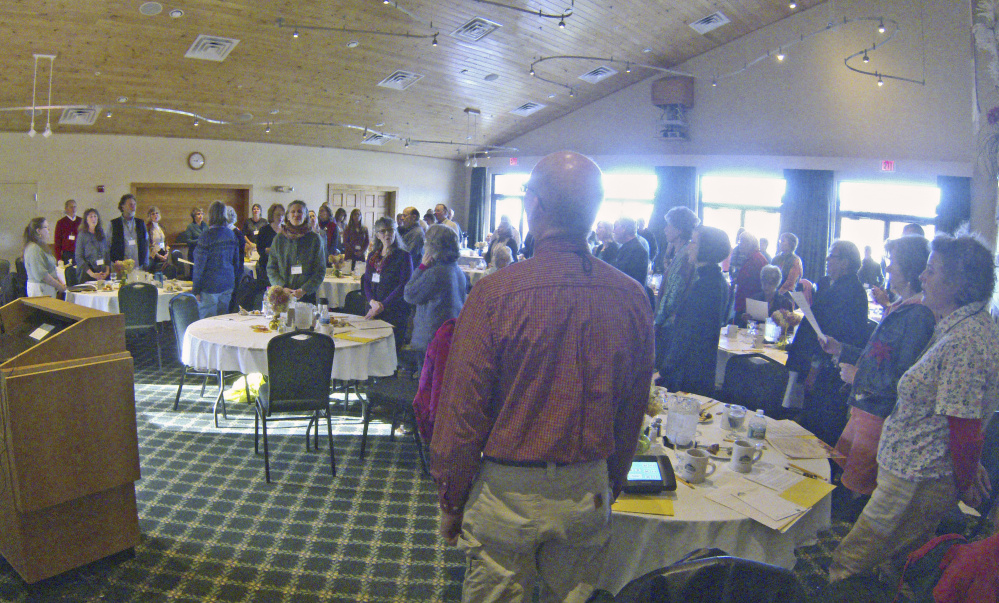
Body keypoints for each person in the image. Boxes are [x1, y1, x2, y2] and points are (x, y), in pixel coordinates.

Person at [430, 151, 654, 602]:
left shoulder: (494, 294)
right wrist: (612, 481)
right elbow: (633, 412)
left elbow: (463, 410)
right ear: (595, 212)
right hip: (586, 487)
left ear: (533, 206)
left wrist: (451, 499)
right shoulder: (632, 298)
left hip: (506, 491)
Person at [828, 233, 999, 583]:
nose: (922, 276)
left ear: (959, 285)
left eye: (932, 271)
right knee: (891, 564)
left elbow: (963, 424)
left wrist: (965, 479)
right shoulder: (958, 325)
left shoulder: (966, 339)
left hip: (918, 477)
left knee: (849, 562)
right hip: (913, 469)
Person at [819, 236, 935, 506]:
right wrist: (841, 350)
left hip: (878, 413)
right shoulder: (904, 308)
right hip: (867, 408)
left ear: (908, 269)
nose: (889, 269)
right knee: (841, 471)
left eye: (893, 262)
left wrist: (857, 376)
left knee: (855, 487)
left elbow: (903, 376)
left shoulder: (918, 315)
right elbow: (877, 356)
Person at [785, 239, 869, 445]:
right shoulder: (839, 287)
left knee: (818, 430)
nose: (827, 260)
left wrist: (813, 369)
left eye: (832, 256)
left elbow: (830, 335)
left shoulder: (847, 292)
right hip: (828, 369)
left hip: (830, 372)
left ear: (845, 263)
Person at [658, 226, 731, 395]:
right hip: (701, 367)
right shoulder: (717, 280)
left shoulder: (706, 285)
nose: (689, 246)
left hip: (690, 370)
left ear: (706, 248)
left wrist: (664, 371)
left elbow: (688, 332)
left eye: (694, 242)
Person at [404, 224, 468, 353]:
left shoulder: (434, 273)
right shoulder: (458, 271)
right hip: (450, 335)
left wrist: (421, 267)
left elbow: (409, 295)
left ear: (433, 246)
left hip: (430, 338)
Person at [654, 207, 699, 366]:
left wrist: (657, 322)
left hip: (671, 327)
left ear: (679, 229)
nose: (665, 229)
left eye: (669, 225)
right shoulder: (680, 252)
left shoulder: (684, 255)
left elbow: (673, 294)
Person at [362, 216, 413, 348]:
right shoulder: (373, 256)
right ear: (377, 235)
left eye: (390, 230)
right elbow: (366, 281)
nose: (387, 234)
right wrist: (372, 302)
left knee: (390, 351)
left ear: (395, 232)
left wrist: (382, 305)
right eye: (383, 231)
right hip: (373, 309)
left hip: (394, 310)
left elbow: (403, 285)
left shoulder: (403, 256)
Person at [266, 200, 325, 304]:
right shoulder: (279, 239)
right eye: (293, 212)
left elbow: (320, 270)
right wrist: (282, 287)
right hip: (283, 295)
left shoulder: (315, 239)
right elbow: (271, 268)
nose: (296, 214)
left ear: (306, 215)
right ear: (288, 216)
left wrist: (304, 289)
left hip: (307, 296)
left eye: (299, 211)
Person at [192, 201, 242, 318]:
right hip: (228, 283)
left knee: (207, 323)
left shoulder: (206, 236)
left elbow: (199, 266)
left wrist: (196, 290)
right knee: (223, 320)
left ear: (211, 215)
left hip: (210, 285)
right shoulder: (231, 234)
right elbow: (236, 262)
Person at [22, 217, 66, 297]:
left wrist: (60, 283)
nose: (49, 230)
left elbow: (51, 268)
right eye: (46, 227)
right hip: (40, 289)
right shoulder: (34, 248)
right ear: (38, 231)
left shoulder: (41, 246)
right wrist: (59, 286)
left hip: (48, 288)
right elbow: (41, 274)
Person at [732, 232, 768, 324]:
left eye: (742, 241)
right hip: (746, 302)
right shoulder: (752, 257)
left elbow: (752, 284)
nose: (739, 244)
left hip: (749, 305)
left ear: (749, 244)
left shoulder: (756, 259)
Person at [109, 194, 148, 268]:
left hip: (138, 266)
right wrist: (110, 265)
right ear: (123, 206)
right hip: (120, 267)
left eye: (134, 204)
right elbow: (108, 245)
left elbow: (146, 243)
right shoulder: (114, 224)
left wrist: (146, 262)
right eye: (130, 204)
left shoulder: (141, 223)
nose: (133, 207)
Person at [74, 208, 111, 283]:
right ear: (86, 219)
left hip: (102, 273)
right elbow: (79, 257)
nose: (93, 219)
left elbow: (107, 254)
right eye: (91, 217)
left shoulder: (101, 233)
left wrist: (107, 272)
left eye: (95, 216)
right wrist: (92, 274)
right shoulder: (82, 235)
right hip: (88, 274)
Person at [612, 216, 650, 287]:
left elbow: (627, 280)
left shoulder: (637, 251)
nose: (613, 231)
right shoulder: (627, 247)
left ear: (624, 228)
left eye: (615, 227)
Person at [255, 203, 284, 284]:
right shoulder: (264, 230)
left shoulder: (286, 230)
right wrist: (268, 250)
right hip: (266, 266)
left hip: (282, 267)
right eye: (278, 215)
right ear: (272, 215)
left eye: (282, 215)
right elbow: (259, 249)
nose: (280, 217)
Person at [53, 199, 81, 264]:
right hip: (67, 254)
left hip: (80, 253)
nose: (73, 209)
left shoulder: (81, 221)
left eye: (75, 207)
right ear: (66, 209)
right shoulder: (61, 222)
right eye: (71, 207)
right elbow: (57, 241)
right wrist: (59, 258)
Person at [146, 206, 170, 272]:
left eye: (157, 213)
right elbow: (149, 244)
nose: (155, 215)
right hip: (154, 256)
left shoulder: (162, 227)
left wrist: (167, 253)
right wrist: (158, 256)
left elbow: (166, 242)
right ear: (150, 216)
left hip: (163, 253)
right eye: (153, 214)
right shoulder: (148, 228)